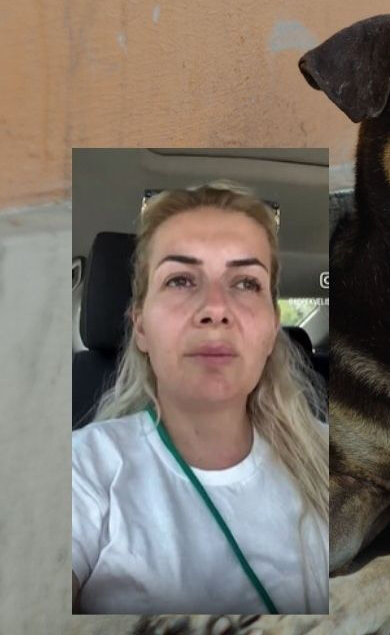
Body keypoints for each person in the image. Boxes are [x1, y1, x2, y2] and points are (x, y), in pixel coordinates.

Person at [71, 182, 328, 614]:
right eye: (181, 279)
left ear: (271, 331)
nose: (215, 307)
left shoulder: (336, 459)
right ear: (141, 327)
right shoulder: (82, 469)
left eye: (246, 282)